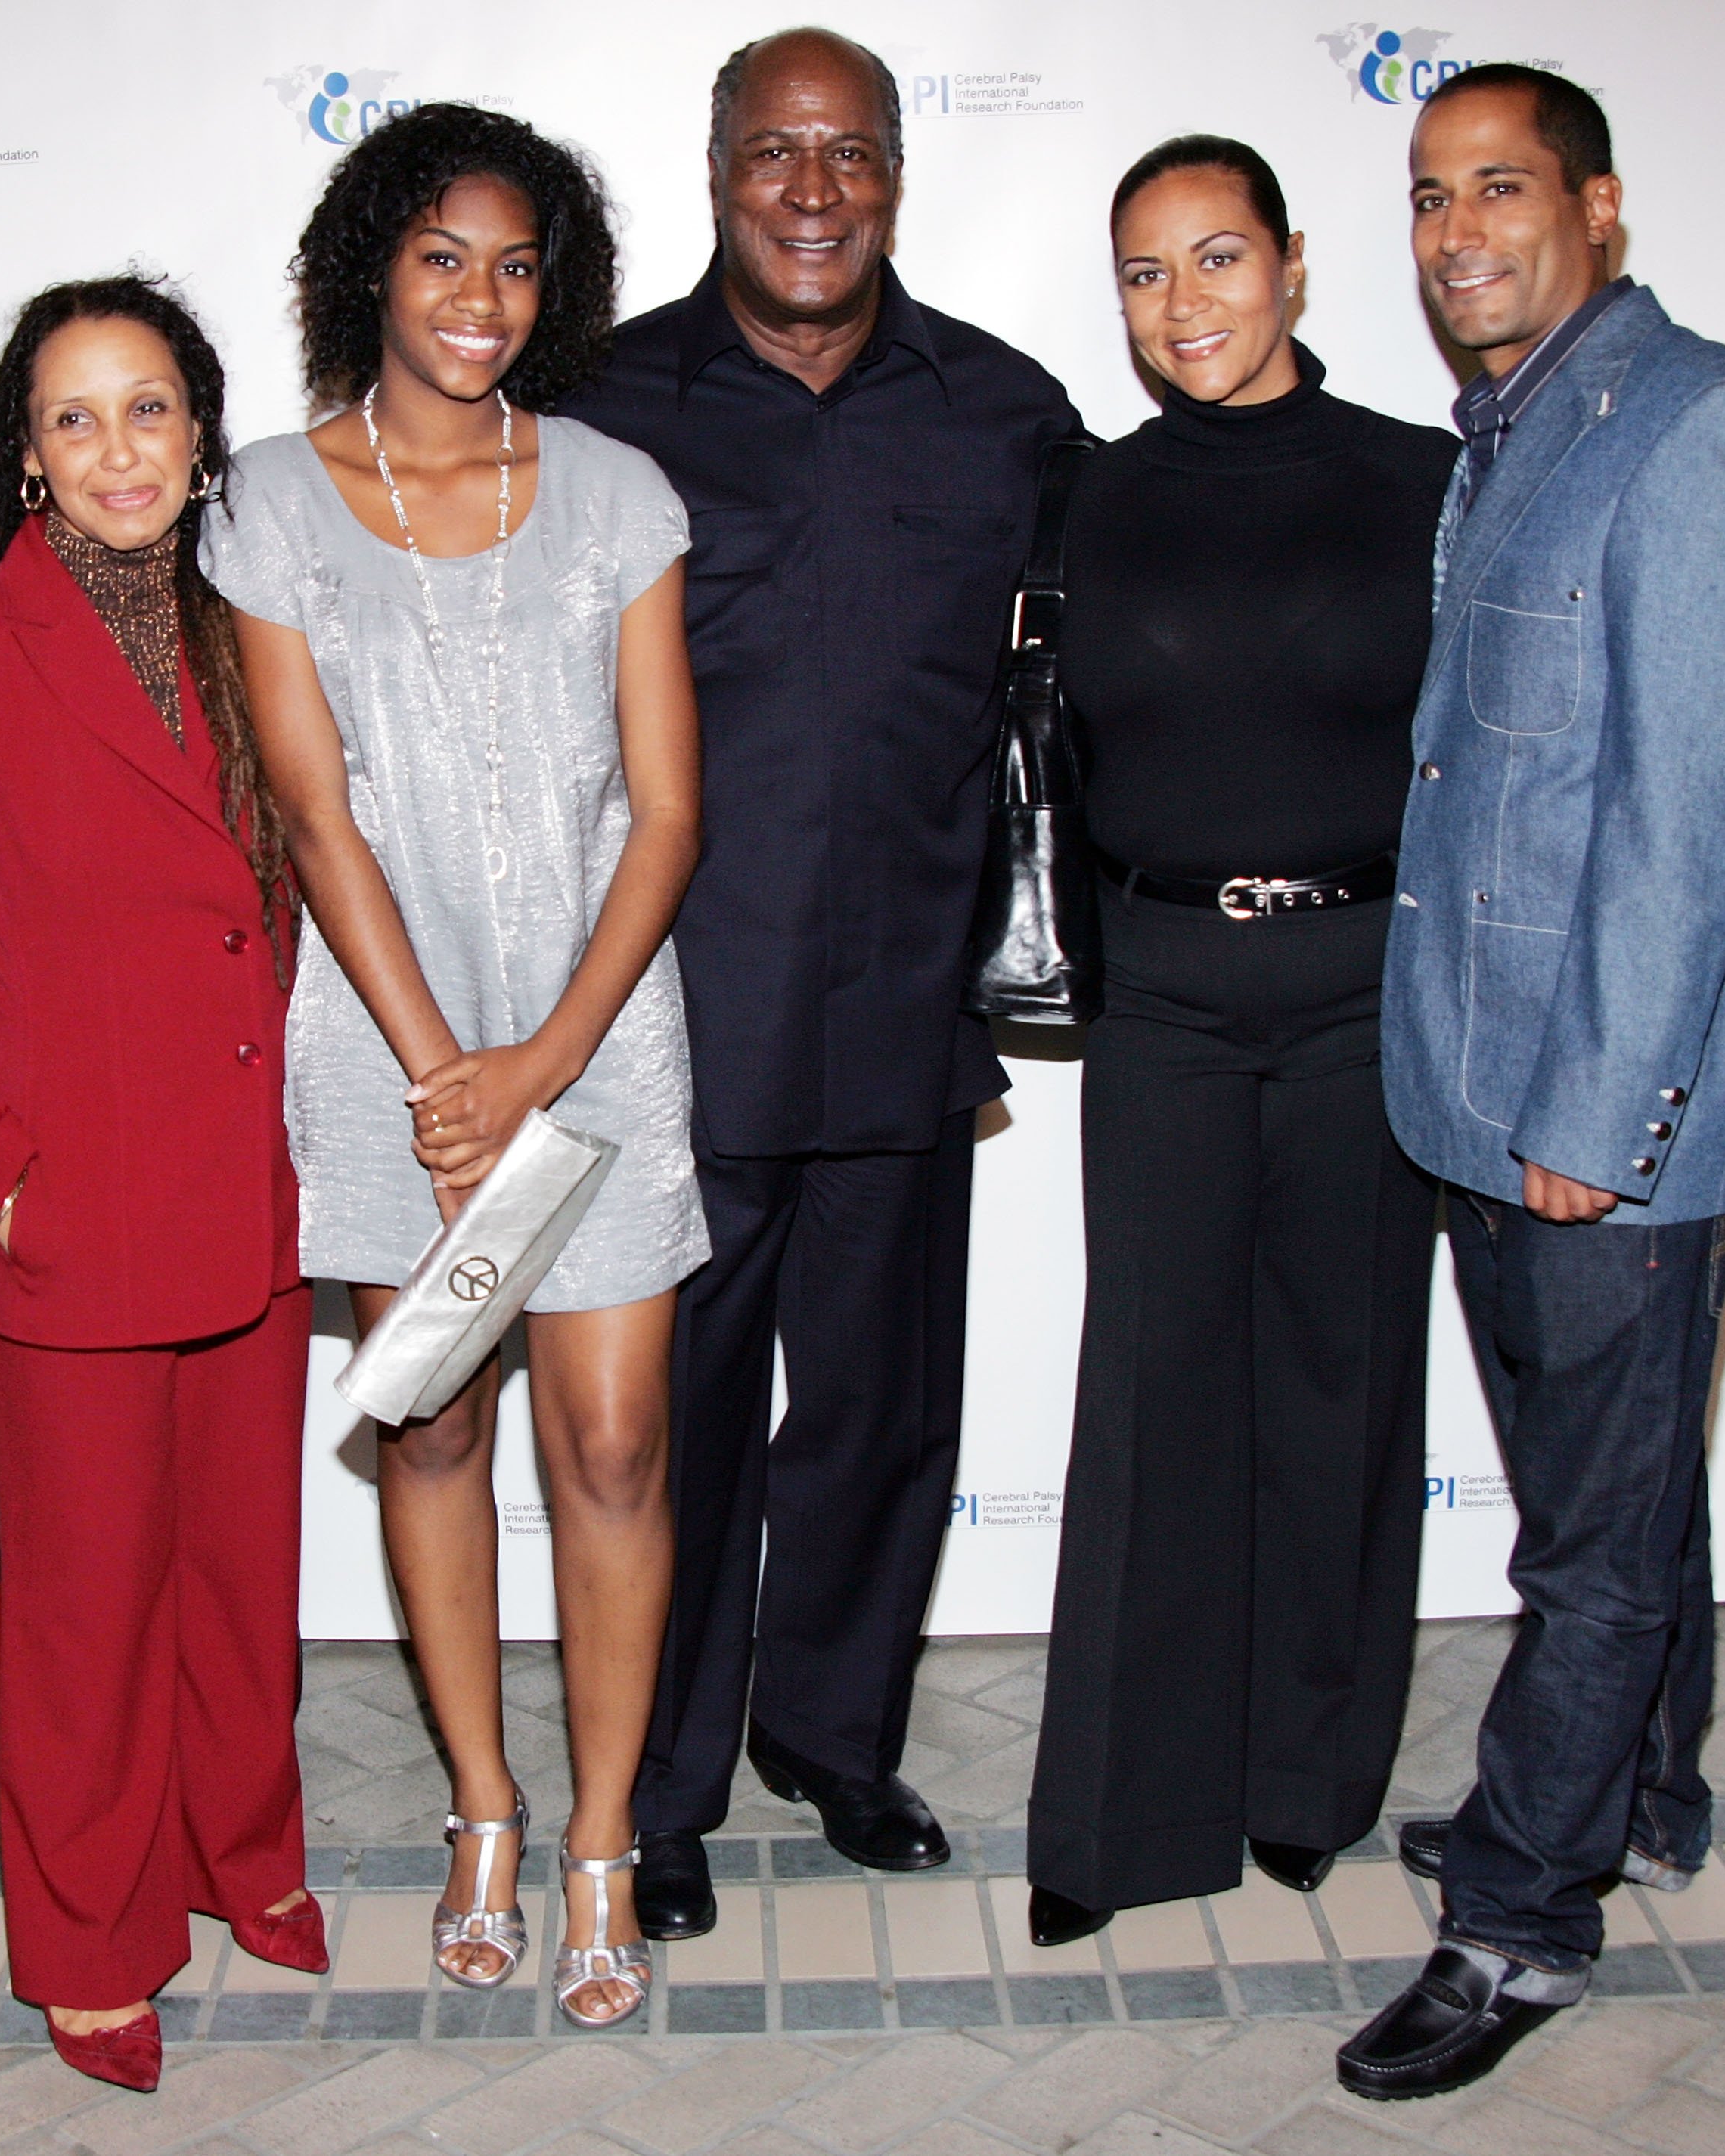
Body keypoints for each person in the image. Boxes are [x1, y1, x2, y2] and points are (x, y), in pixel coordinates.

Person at [562, 27, 1081, 1937]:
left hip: (902, 1029)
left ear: (894, 180)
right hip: (667, 1034)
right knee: (672, 1435)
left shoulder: (1009, 416)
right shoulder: (604, 406)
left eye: (849, 152)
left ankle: (839, 1741)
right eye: (775, 150)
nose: (811, 186)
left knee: (882, 1416)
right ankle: (671, 1781)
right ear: (715, 169)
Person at [1336, 66, 1725, 2099]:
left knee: (1591, 1549)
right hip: (1481, 1087)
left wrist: (1588, 1134)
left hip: (1598, 1127)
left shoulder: (1693, 421)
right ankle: (1644, 1793)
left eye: (1503, 190)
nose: (1459, 234)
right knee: (1618, 1504)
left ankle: (1525, 1915)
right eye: (1433, 197)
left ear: (1598, 205)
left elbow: (1696, 823)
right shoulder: (1516, 421)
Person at [204, 104, 705, 2031]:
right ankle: (481, 1805)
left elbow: (665, 815)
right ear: (369, 272)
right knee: (430, 1423)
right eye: (440, 258)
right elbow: (317, 819)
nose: (480, 299)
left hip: (598, 1042)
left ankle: (599, 1834)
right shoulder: (264, 500)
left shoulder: (619, 493)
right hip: (381, 1048)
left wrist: (543, 1065)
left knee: (613, 1446)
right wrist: (444, 1078)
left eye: (515, 263)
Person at [0, 278, 316, 2093]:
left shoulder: (262, 640)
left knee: (236, 1576)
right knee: (89, 1610)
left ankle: (240, 1853)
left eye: (151, 411)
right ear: (26, 461)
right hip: (78, 1225)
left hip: (257, 1207)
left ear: (203, 438)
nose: (118, 450)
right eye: (74, 419)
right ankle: (90, 1937)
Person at [1022, 139, 1455, 1950]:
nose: (1182, 306)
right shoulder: (1081, 500)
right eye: (1143, 274)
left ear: (1289, 263)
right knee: (1150, 1395)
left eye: (1216, 260)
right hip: (1172, 994)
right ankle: (1120, 1813)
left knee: (1343, 1393)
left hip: (1372, 983)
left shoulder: (1428, 481)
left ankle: (1309, 1782)